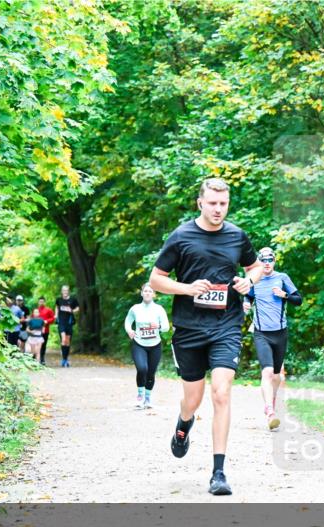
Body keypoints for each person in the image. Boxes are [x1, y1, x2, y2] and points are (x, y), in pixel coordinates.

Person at [149, 177, 263, 496]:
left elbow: (254, 267)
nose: (218, 209)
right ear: (200, 203)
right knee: (193, 399)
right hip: (189, 328)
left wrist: (249, 281)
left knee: (221, 393)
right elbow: (156, 279)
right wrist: (187, 288)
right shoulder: (181, 236)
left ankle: (219, 473)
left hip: (226, 325)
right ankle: (184, 423)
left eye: (223, 204)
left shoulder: (237, 236)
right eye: (212, 203)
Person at [243, 247, 302, 430]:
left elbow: (298, 300)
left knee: (276, 375)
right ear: (259, 262)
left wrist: (284, 295)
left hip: (280, 332)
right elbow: (247, 296)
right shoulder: (254, 279)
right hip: (261, 333)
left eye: (270, 260)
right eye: (263, 260)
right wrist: (246, 303)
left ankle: (271, 402)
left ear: (274, 261)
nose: (267, 263)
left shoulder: (282, 278)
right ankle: (270, 411)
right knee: (267, 372)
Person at [124, 284, 170, 410]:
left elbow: (166, 327)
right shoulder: (135, 309)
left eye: (150, 291)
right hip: (139, 344)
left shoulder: (159, 309)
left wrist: (158, 326)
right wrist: (129, 330)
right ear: (141, 293)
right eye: (145, 291)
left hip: (155, 345)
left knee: (151, 373)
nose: (148, 293)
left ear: (154, 294)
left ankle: (148, 399)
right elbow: (128, 321)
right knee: (142, 368)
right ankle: (140, 396)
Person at [55, 285, 79, 367]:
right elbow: (57, 307)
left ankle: (65, 359)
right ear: (61, 291)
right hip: (61, 322)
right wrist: (56, 315)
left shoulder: (73, 300)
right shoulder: (59, 300)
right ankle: (63, 359)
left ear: (68, 291)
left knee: (68, 342)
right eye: (63, 290)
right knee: (63, 339)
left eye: (66, 290)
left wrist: (72, 310)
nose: (65, 292)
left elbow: (78, 308)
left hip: (69, 322)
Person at [36, 297, 55, 365]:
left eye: (42, 301)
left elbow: (53, 318)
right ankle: (35, 358)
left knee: (43, 345)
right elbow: (32, 318)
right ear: (38, 302)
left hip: (45, 331)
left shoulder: (48, 310)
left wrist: (46, 321)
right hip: (36, 331)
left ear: (44, 302)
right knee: (36, 344)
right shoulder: (36, 310)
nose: (41, 303)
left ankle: (42, 359)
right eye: (40, 301)